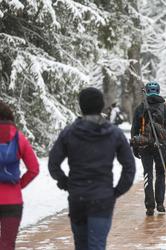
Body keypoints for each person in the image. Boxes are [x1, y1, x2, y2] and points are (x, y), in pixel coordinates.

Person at [48, 87, 136, 250]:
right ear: (101, 105)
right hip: (102, 198)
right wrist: (116, 191)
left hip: (77, 198)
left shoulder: (69, 132)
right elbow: (129, 167)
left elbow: (53, 164)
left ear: (81, 106)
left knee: (81, 245)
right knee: (97, 245)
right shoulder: (114, 133)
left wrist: (66, 183)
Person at [0, 101, 39, 250]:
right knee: (7, 245)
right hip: (12, 201)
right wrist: (18, 185)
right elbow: (34, 169)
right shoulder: (19, 138)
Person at [131, 81, 166, 216]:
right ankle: (160, 203)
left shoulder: (140, 108)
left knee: (148, 173)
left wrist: (135, 147)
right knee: (160, 173)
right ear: (159, 91)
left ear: (147, 92)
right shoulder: (165, 109)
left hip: (144, 145)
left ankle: (149, 206)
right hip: (161, 146)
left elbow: (134, 129)